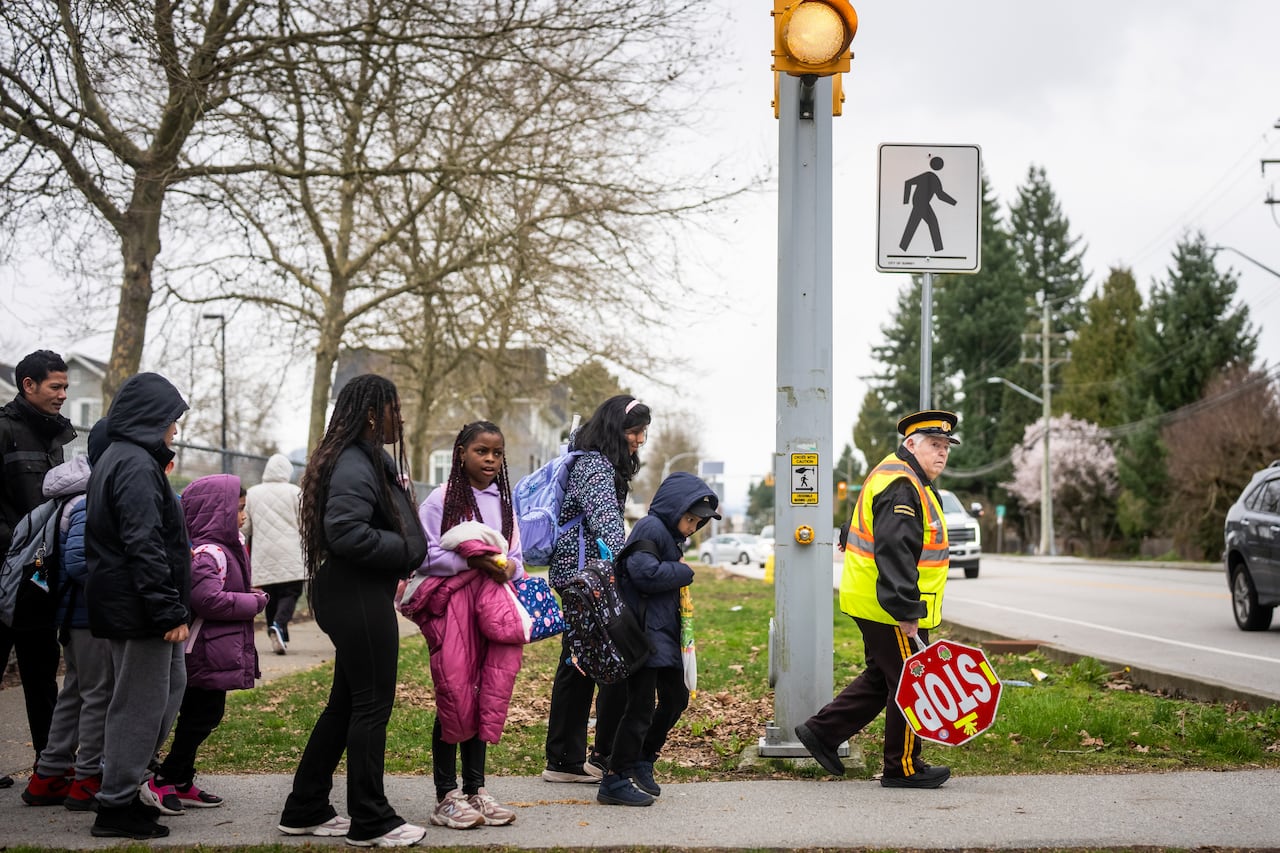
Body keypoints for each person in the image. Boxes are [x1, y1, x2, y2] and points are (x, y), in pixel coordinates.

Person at [277, 374, 428, 847]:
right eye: (393, 408)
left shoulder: (362, 461)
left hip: (357, 593)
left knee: (346, 705)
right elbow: (344, 532)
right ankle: (371, 819)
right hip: (356, 594)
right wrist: (405, 546)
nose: (399, 417)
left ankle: (305, 807)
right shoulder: (353, 464)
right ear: (369, 412)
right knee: (371, 706)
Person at [794, 409, 960, 790]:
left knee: (882, 677)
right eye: (934, 445)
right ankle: (902, 766)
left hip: (874, 598)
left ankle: (822, 733)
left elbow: (861, 525)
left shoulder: (899, 476)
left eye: (946, 446)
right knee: (911, 680)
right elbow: (895, 550)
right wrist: (905, 610)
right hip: (888, 604)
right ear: (910, 445)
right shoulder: (902, 484)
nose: (942, 453)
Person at [85, 373, 192, 838]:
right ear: (153, 418)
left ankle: (127, 788)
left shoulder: (129, 458)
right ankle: (115, 803)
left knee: (166, 691)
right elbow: (142, 543)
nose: (175, 430)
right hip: (141, 610)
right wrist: (167, 610)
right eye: (172, 420)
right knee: (139, 705)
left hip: (139, 605)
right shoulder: (132, 464)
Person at [415, 421, 525, 829]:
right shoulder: (441, 500)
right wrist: (471, 560)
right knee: (454, 693)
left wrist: (507, 566)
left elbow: (517, 557)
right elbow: (424, 556)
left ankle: (476, 790)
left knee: (485, 694)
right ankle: (446, 795)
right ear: (461, 452)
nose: (491, 460)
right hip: (453, 611)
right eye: (482, 451)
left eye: (497, 453)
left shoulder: (505, 501)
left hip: (492, 610)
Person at [542, 395, 651, 784]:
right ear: (615, 430)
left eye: (642, 432)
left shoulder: (593, 462)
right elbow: (607, 524)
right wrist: (634, 566)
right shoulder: (594, 467)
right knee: (582, 662)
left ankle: (573, 757)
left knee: (583, 660)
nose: (640, 439)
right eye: (635, 431)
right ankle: (567, 760)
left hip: (583, 573)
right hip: (583, 577)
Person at [144, 473, 268, 813]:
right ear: (216, 512)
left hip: (217, 649)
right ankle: (165, 776)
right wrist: (253, 603)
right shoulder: (208, 552)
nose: (243, 516)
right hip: (203, 651)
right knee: (200, 716)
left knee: (205, 716)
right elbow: (206, 600)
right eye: (238, 509)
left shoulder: (229, 547)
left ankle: (181, 778)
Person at [594, 472, 719, 807]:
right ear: (672, 509)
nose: (693, 527)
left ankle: (642, 760)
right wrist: (684, 571)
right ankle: (616, 777)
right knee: (640, 707)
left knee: (675, 697)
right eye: (689, 519)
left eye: (698, 522)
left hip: (661, 634)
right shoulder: (651, 528)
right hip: (643, 635)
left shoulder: (668, 535)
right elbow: (644, 573)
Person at [20, 419, 109, 810]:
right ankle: (86, 778)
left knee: (75, 691)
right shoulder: (89, 499)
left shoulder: (73, 495)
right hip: (86, 616)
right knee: (96, 695)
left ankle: (50, 774)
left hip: (72, 616)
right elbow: (79, 563)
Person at [0, 350, 75, 788]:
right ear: (28, 385)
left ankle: (51, 768)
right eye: (56, 387)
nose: (63, 395)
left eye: (66, 387)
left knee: (42, 671)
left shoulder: (56, 439)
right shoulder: (4, 430)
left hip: (39, 575)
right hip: (6, 571)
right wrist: (17, 543)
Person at [243, 453, 305, 655]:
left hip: (263, 552)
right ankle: (278, 625)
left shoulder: (252, 493)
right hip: (290, 550)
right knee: (291, 591)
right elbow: (304, 523)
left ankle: (278, 635)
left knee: (271, 594)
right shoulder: (295, 492)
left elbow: (246, 527)